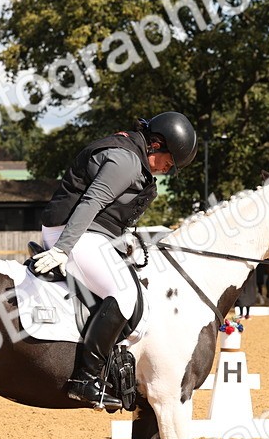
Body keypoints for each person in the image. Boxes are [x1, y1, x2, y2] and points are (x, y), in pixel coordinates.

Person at [31, 112, 198, 408]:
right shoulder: (127, 161)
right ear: (156, 144)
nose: (167, 169)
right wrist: (62, 249)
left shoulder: (134, 157)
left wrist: (126, 240)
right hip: (70, 232)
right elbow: (91, 202)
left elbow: (112, 214)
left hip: (89, 232)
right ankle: (85, 379)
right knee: (123, 293)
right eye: (169, 162)